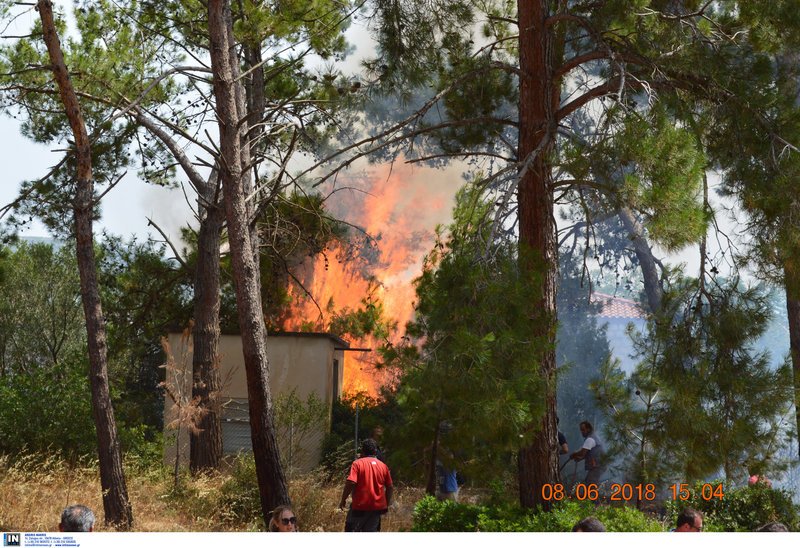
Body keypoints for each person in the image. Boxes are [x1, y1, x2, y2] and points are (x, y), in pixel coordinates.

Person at [339, 438, 393, 532]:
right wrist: (386, 504)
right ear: (375, 451)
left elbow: (351, 482)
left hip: (360, 507)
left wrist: (343, 499)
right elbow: (390, 487)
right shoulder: (383, 466)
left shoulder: (357, 464)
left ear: (362, 450)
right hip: (376, 508)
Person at [569, 421, 606, 486]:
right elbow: (587, 454)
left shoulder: (590, 439)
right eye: (581, 430)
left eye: (583, 430)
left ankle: (592, 495)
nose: (582, 432)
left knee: (590, 484)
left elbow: (583, 452)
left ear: (588, 429)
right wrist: (580, 458)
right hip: (599, 465)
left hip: (597, 466)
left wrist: (574, 454)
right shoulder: (593, 437)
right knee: (589, 482)